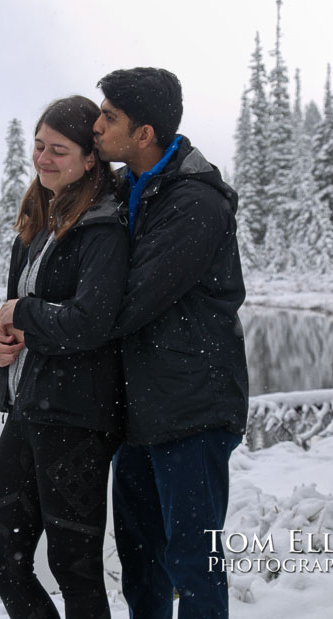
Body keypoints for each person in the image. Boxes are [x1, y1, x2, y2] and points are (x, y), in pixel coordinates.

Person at [91, 68, 249, 619]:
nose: (96, 124)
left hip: (192, 408)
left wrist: (42, 318)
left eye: (109, 116)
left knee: (193, 563)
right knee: (139, 560)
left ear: (144, 134)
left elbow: (128, 301)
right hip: (140, 410)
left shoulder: (194, 204)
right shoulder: (129, 188)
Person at [0, 95, 129, 619]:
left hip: (76, 420)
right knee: (0, 562)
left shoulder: (104, 227)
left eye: (58, 150)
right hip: (26, 411)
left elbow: (91, 323)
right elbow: (21, 318)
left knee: (76, 568)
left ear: (90, 159)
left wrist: (25, 313)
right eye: (38, 146)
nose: (43, 158)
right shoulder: (38, 222)